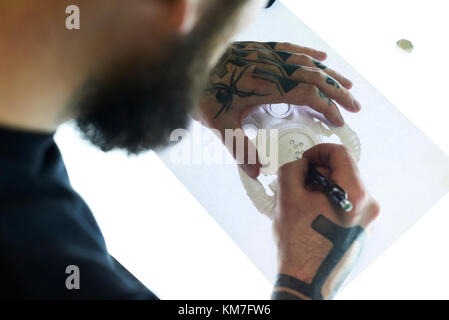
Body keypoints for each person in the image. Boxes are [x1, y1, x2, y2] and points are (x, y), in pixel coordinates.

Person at [0, 0, 379, 299]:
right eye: (221, 36)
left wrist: (175, 58)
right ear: (177, 12)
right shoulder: (39, 259)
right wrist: (306, 281)